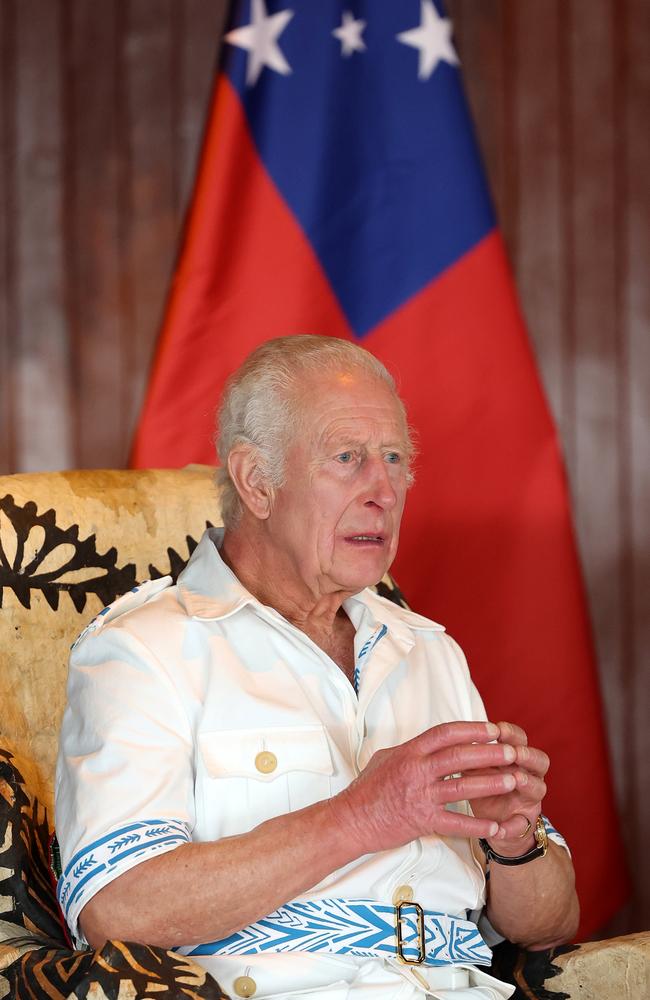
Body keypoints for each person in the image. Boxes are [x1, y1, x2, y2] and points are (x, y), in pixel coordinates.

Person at [55, 336, 579, 1000]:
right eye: (347, 458)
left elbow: (549, 926)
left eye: (394, 459)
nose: (384, 491)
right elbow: (115, 911)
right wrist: (359, 817)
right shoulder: (145, 650)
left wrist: (515, 842)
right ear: (257, 482)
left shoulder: (430, 651)